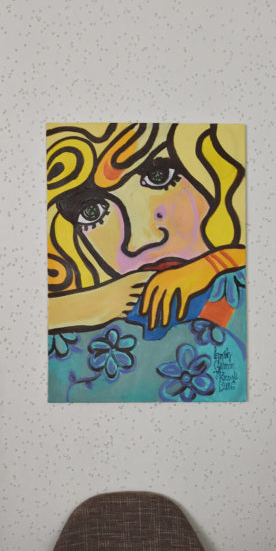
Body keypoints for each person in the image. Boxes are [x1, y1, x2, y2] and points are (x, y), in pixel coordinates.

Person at [47, 122, 246, 402]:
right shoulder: (67, 347)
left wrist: (216, 264)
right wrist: (92, 306)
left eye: (159, 177)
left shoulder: (243, 294)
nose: (141, 241)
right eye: (91, 212)